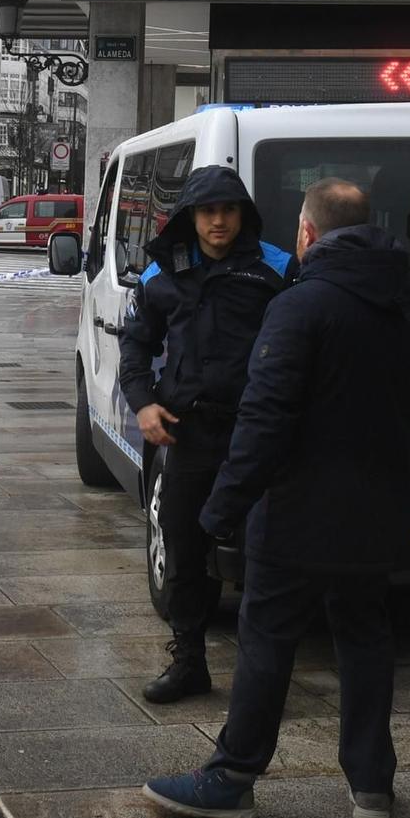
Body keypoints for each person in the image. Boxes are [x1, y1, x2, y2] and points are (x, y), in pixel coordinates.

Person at [143, 178, 410, 818]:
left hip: (299, 510)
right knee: (363, 635)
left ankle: (232, 774)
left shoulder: (302, 306)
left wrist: (221, 509)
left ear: (307, 232)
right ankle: (372, 785)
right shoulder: (409, 309)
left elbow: (264, 419)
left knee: (266, 631)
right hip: (378, 507)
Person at [117, 166, 295, 705]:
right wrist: (143, 403)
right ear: (190, 216)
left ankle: (263, 679)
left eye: (228, 210)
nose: (218, 221)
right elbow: (135, 345)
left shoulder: (277, 268)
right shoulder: (162, 272)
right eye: (207, 211)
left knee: (268, 556)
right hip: (187, 433)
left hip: (256, 435)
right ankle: (189, 661)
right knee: (184, 548)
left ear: (243, 215)